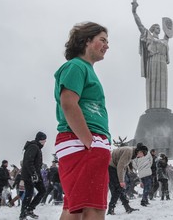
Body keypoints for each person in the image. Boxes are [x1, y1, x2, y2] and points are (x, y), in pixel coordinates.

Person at [54, 22, 111, 220]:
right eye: (102, 40)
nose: (107, 45)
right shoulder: (77, 66)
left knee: (74, 209)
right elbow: (68, 104)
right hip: (83, 143)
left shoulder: (84, 68)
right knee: (94, 209)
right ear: (87, 41)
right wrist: (91, 142)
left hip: (79, 143)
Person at [132, 2, 170, 109]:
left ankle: (162, 107)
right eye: (158, 28)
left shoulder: (164, 41)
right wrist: (134, 12)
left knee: (163, 86)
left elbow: (169, 33)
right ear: (153, 29)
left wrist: (169, 28)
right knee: (153, 85)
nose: (159, 30)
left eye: (160, 28)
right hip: (153, 61)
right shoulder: (148, 36)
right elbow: (140, 25)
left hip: (162, 64)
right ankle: (152, 108)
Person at [19, 132, 47, 220]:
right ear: (39, 139)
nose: (44, 142)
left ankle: (29, 209)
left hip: (35, 175)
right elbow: (28, 161)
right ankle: (23, 214)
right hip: (30, 175)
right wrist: (33, 174)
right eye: (43, 140)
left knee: (42, 191)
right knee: (29, 193)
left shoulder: (37, 147)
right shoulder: (33, 147)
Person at [108, 146, 138, 215]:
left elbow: (124, 165)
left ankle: (127, 207)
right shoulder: (129, 151)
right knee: (118, 188)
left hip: (111, 167)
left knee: (119, 189)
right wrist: (121, 181)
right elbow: (120, 166)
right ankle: (111, 209)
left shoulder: (130, 152)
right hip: (111, 167)